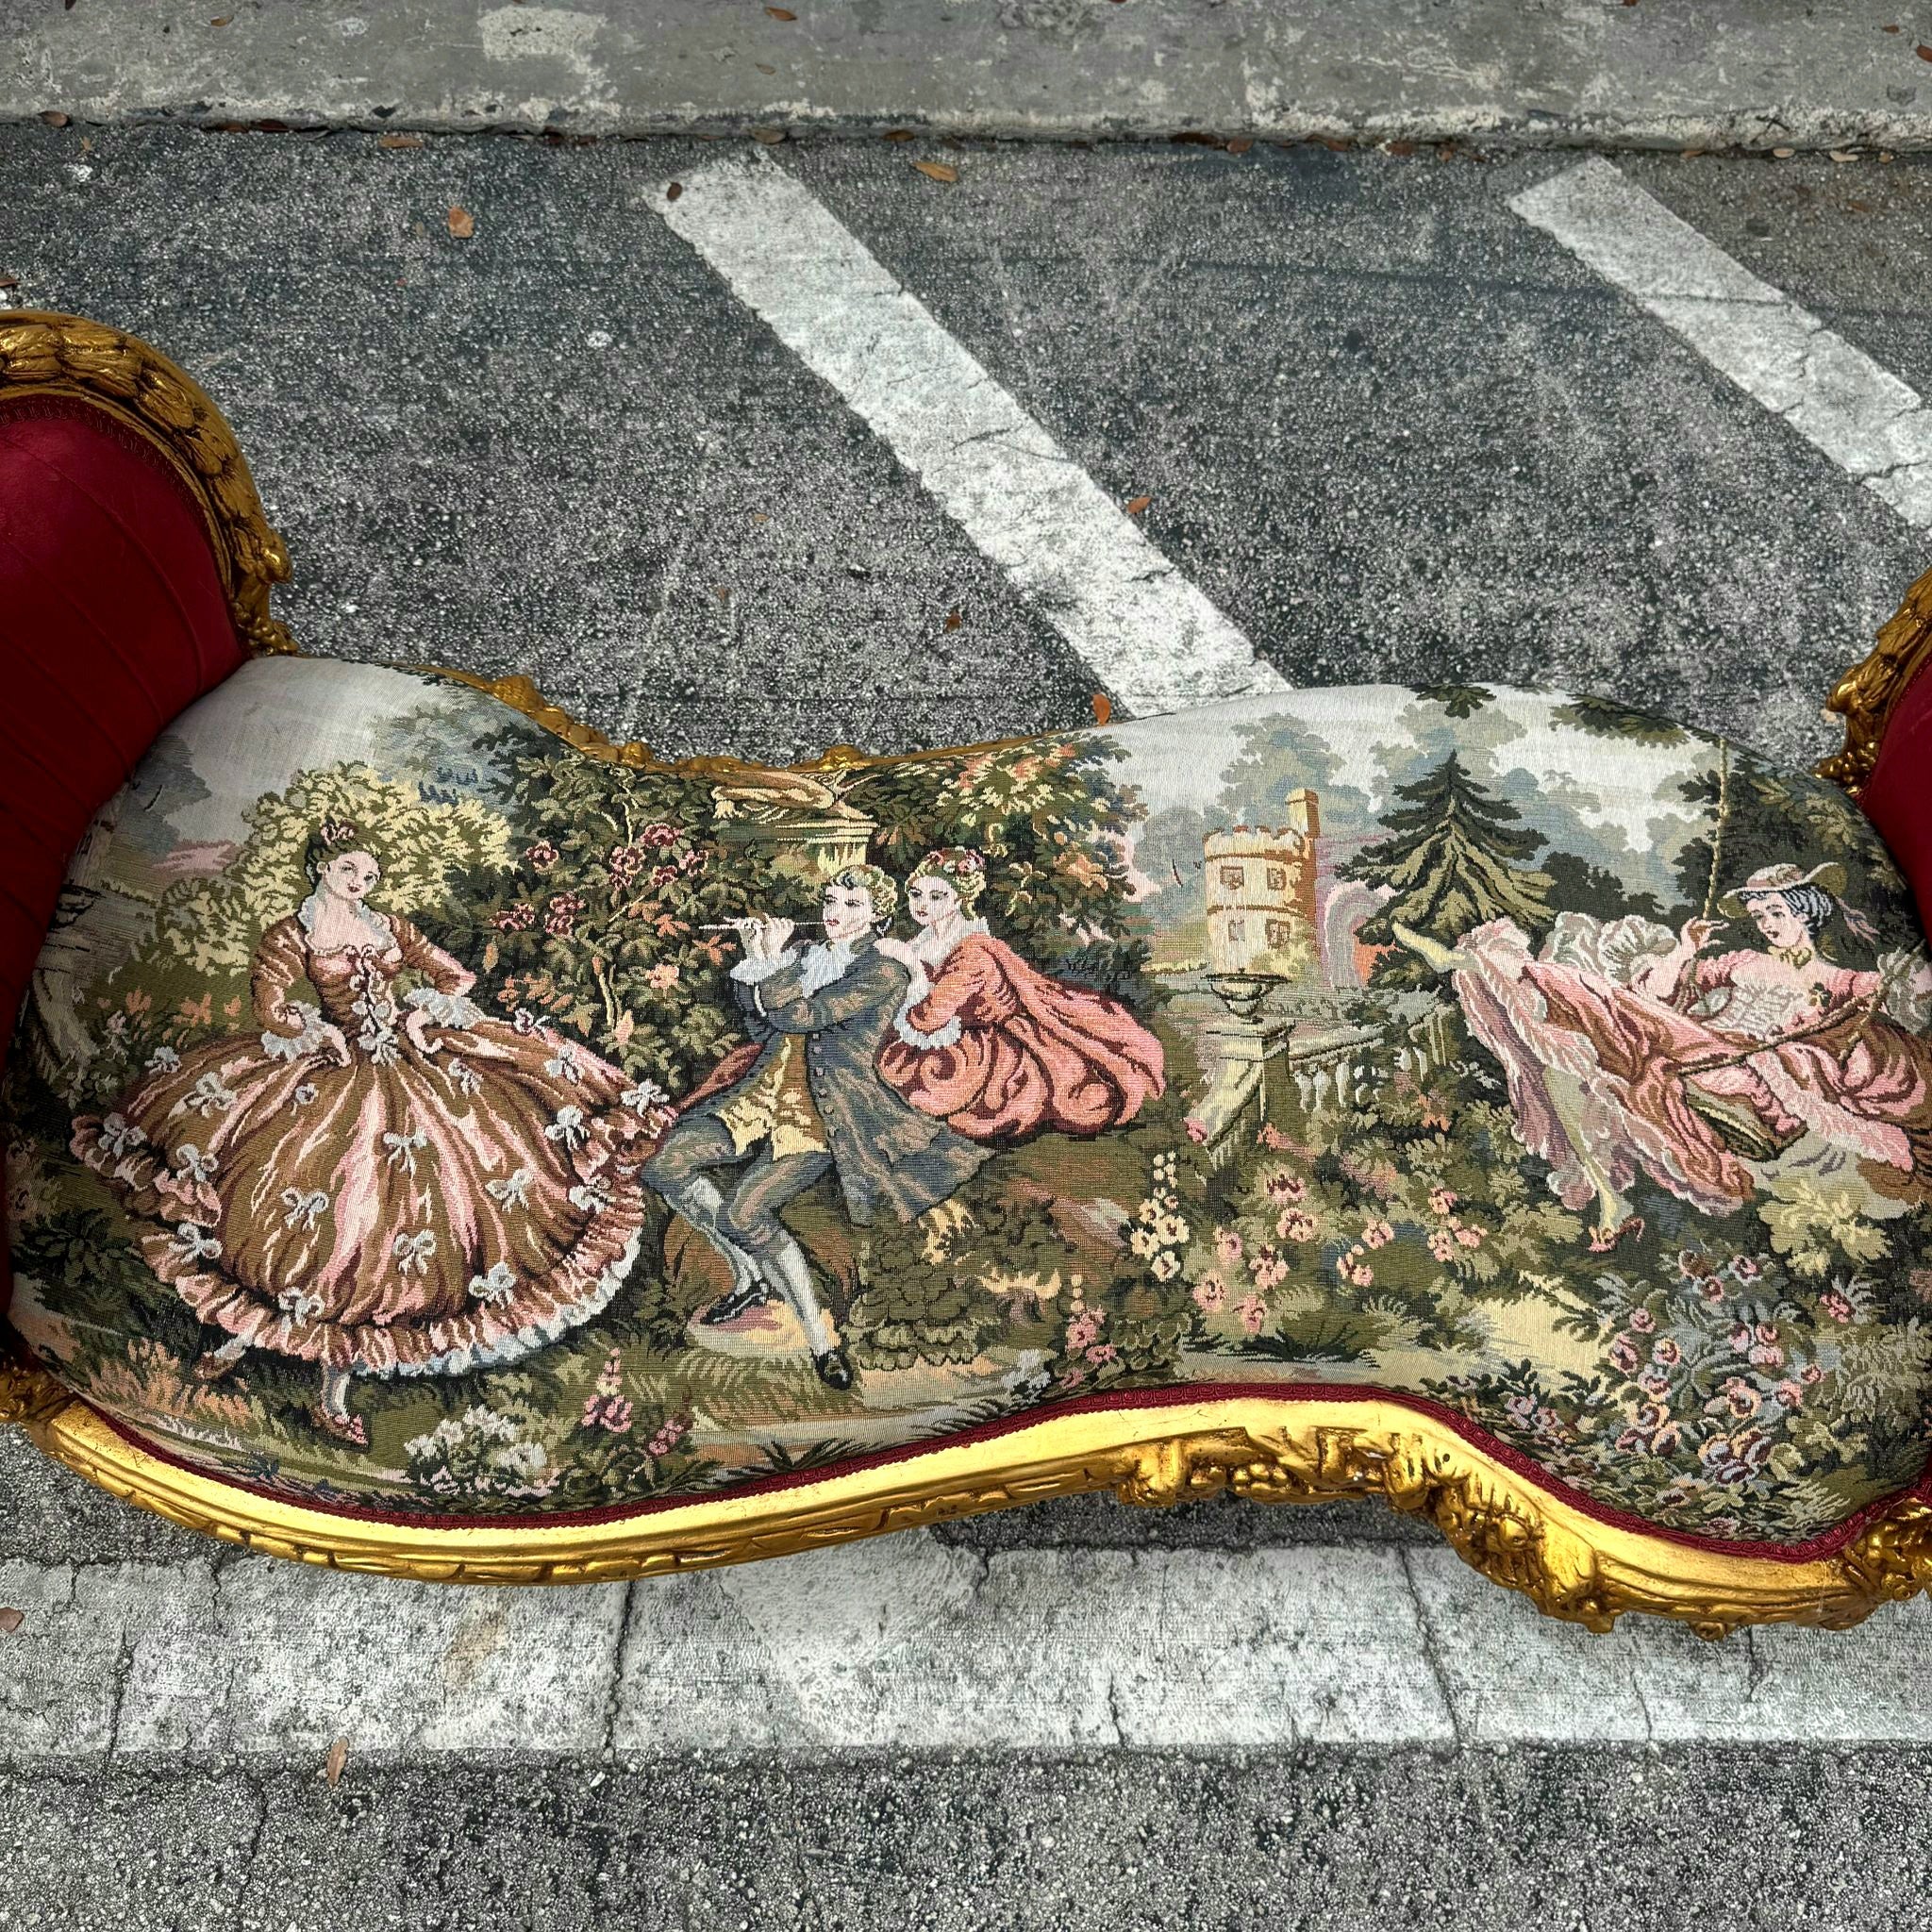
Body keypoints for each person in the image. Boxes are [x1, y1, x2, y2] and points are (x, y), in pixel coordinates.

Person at [72, 817, 655, 1447]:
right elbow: (268, 999)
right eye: (351, 868)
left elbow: (454, 978)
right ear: (324, 867)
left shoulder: (389, 928)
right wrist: (304, 1025)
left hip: (409, 1071)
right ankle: (240, 1336)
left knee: (384, 1231)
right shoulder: (293, 932)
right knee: (293, 1218)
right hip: (333, 1072)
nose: (362, 881)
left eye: (371, 874)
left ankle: (332, 1394)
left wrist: (423, 1010)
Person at [1396, 861, 1932, 1245]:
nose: (1768, 923)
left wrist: (1865, 1001)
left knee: (1613, 1018)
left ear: (1807, 913)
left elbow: (1868, 1027)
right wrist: (1686, 949)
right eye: (1761, 914)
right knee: (1583, 1048)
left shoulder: (1842, 980)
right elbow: (1661, 996)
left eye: (1776, 912)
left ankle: (1481, 966)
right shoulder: (1742, 960)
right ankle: (1486, 972)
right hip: (1698, 1044)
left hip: (1749, 1073)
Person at [641, 863, 991, 1388]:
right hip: (762, 1094)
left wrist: (768, 963)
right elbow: (762, 1023)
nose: (835, 913)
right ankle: (749, 1276)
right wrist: (761, 963)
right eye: (831, 900)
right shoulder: (807, 957)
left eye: (853, 905)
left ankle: (820, 1342)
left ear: (877, 917)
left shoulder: (884, 972)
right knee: (663, 1164)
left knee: (744, 1214)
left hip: (824, 1114)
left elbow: (801, 1017)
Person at [874, 847, 1165, 1141]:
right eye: (916, 894)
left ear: (960, 898)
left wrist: (911, 966)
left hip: (994, 1038)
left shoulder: (972, 951)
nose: (922, 904)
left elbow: (928, 1018)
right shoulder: (924, 940)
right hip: (955, 1030)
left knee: (942, 1084)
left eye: (937, 896)